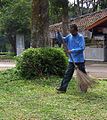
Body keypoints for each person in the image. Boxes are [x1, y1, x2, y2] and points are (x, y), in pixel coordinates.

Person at [57, 24, 87, 93]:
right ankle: (62, 88)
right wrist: (58, 33)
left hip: (79, 60)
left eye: (73, 32)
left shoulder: (80, 37)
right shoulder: (69, 36)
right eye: (71, 32)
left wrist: (72, 50)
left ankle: (84, 88)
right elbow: (62, 40)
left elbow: (82, 48)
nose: (72, 33)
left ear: (76, 30)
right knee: (67, 74)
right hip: (71, 60)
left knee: (82, 75)